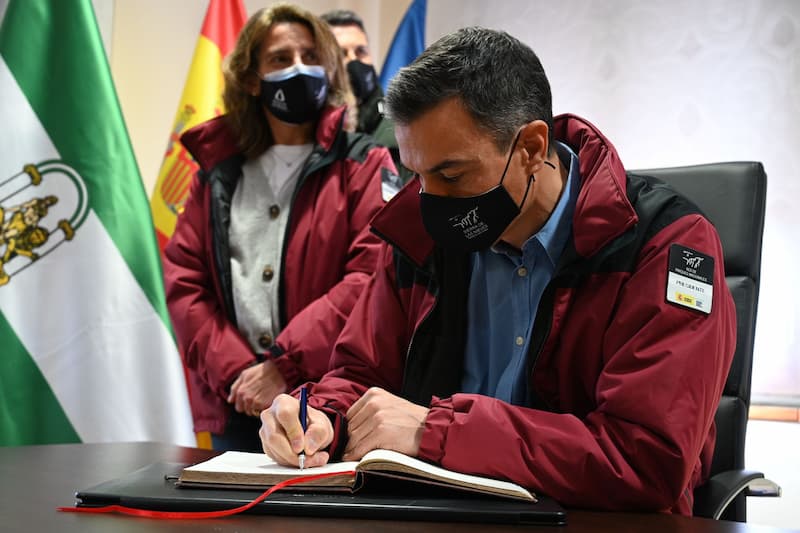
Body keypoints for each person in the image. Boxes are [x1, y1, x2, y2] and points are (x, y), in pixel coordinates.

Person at [258, 27, 737, 514]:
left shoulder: (666, 245)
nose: (429, 201)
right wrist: (321, 417)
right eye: (416, 175)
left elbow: (646, 460)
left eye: (451, 174)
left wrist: (435, 431)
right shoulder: (420, 238)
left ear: (530, 147)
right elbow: (360, 373)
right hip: (437, 513)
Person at [163, 3, 394, 451]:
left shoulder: (365, 163)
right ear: (252, 79)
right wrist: (237, 372)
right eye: (280, 59)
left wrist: (283, 368)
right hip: (237, 404)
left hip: (330, 401)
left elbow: (369, 277)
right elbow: (184, 282)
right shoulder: (218, 173)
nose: (299, 69)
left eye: (311, 57)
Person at [320, 9, 412, 189]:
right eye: (341, 54)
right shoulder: (312, 130)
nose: (353, 61)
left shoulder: (404, 128)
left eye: (361, 51)